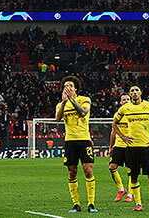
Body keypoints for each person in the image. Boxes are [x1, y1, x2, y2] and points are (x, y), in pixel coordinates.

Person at [112, 85, 149, 212]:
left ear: (141, 92)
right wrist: (122, 136)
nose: (134, 92)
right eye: (132, 91)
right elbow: (114, 124)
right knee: (133, 177)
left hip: (146, 147)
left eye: (137, 90)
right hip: (131, 148)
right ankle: (138, 204)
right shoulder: (125, 108)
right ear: (130, 94)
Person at [55, 75, 98, 213]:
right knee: (72, 172)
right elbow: (57, 118)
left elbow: (83, 112)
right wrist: (63, 102)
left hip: (84, 139)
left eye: (70, 86)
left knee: (88, 170)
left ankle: (91, 204)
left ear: (75, 88)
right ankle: (76, 204)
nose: (67, 88)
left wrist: (72, 100)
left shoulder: (84, 100)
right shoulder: (61, 104)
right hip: (70, 141)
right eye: (65, 86)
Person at [108, 93, 133, 202]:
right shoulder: (117, 115)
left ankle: (130, 195)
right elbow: (113, 132)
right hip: (118, 145)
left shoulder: (134, 114)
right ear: (120, 102)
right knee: (112, 167)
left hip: (130, 146)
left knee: (131, 171)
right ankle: (121, 189)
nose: (126, 101)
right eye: (124, 99)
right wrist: (111, 147)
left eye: (128, 99)